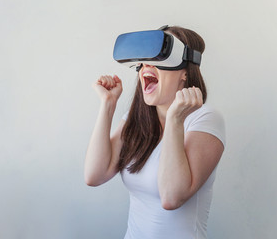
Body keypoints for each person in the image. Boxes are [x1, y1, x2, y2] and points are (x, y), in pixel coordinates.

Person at [85, 25, 225, 239]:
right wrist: (108, 105)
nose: (146, 66)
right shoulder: (137, 120)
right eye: (144, 61)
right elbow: (94, 175)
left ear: (185, 73)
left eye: (160, 58)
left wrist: (175, 120)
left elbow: (171, 197)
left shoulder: (204, 119)